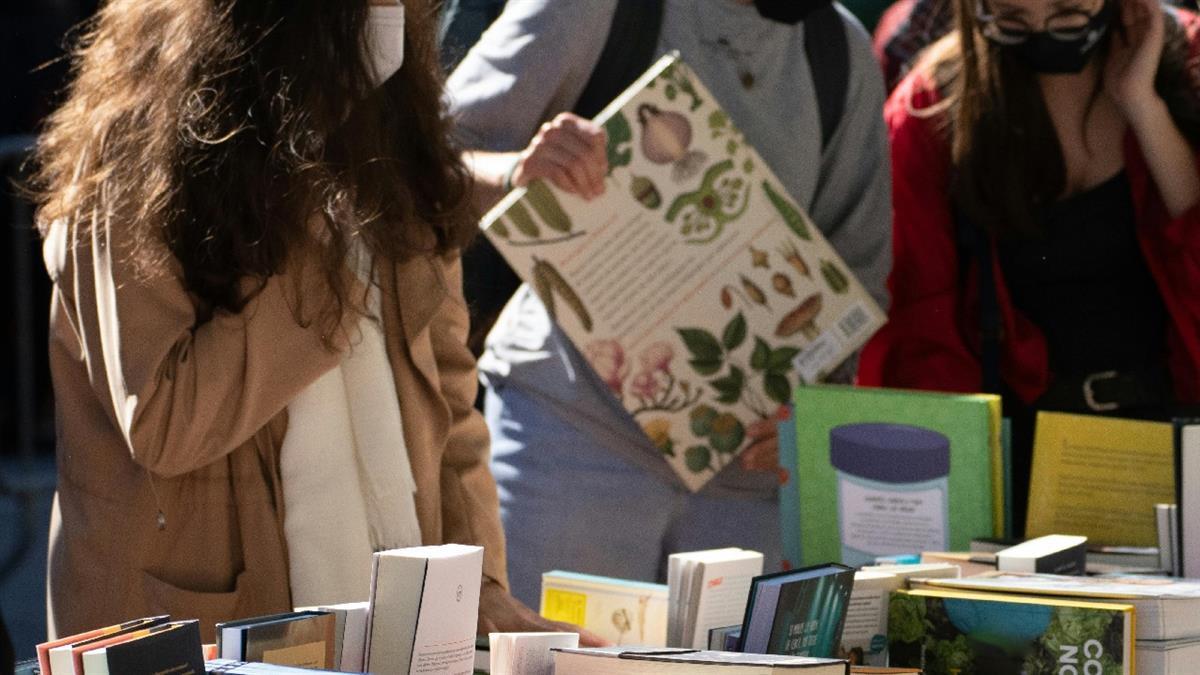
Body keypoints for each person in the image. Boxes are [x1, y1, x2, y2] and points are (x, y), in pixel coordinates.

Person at [30, 0, 586, 642]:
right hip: (203, 628)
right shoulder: (132, 157)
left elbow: (450, 412)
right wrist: (312, 227)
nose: (390, 20)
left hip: (387, 627)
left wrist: (479, 586)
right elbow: (166, 422)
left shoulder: (390, 142)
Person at [447, 0, 892, 606]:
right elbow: (426, 157)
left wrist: (803, 412)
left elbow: (856, 277)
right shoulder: (589, 9)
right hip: (568, 445)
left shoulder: (840, 47)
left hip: (745, 479)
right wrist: (515, 174)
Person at [858, 0, 1200, 531]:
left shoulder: (1188, 60)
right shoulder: (932, 105)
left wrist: (1144, 106)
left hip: (1181, 447)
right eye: (1012, 17)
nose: (1043, 32)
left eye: (1067, 12)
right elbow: (919, 332)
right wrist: (958, 513)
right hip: (1024, 470)